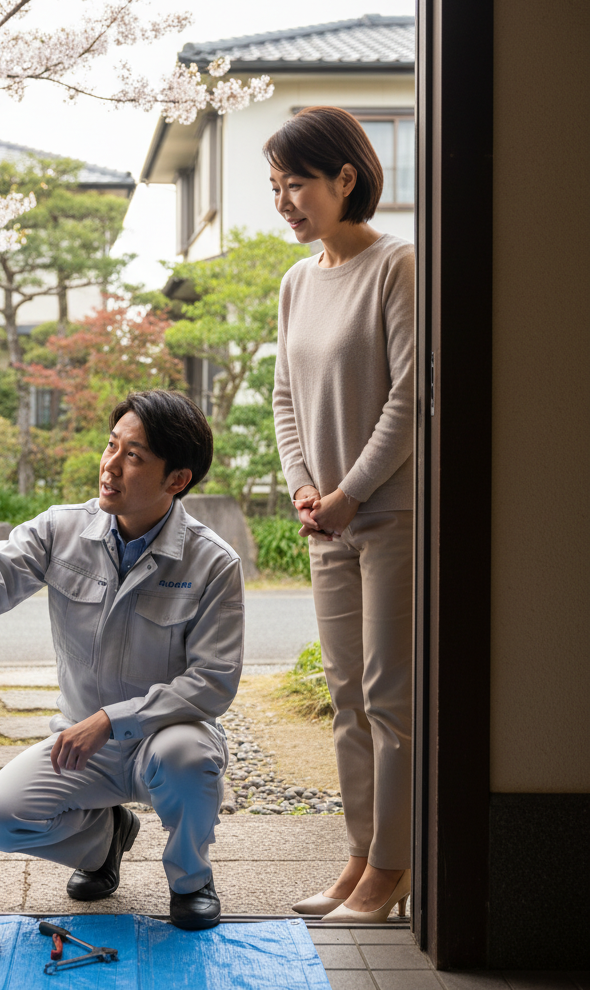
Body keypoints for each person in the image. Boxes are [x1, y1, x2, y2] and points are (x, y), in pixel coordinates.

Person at [0, 390, 245, 930]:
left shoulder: (212, 562)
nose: (110, 465)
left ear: (177, 479)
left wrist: (113, 720)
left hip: (165, 737)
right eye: (111, 445)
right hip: (83, 743)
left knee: (187, 761)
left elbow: (212, 681)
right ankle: (104, 844)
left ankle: (191, 878)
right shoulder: (62, 529)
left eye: (134, 456)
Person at [266, 106, 415, 923]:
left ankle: (393, 870)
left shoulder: (399, 266)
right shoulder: (296, 281)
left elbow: (408, 400)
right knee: (346, 693)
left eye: (297, 185)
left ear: (345, 180)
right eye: (277, 187)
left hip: (388, 513)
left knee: (392, 699)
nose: (285, 201)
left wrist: (349, 492)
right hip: (324, 517)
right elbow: (286, 395)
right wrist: (303, 487)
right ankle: (360, 858)